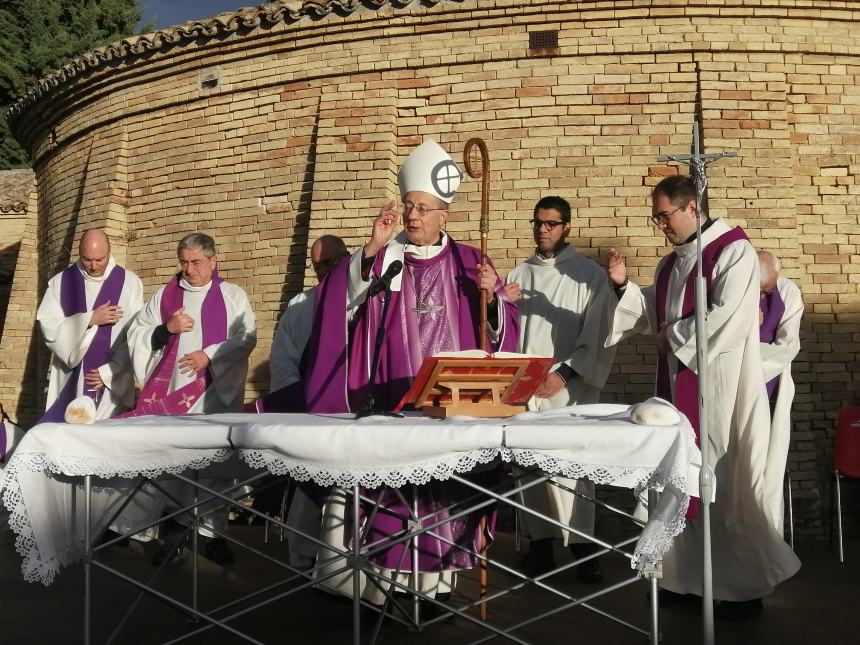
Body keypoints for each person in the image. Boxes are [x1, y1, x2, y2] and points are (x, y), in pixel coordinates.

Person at [305, 139, 519, 603]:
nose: (413, 216)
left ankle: (434, 592)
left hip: (449, 408)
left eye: (422, 208)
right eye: (408, 207)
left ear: (445, 215)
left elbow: (500, 333)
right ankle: (382, 589)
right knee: (392, 497)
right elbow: (337, 305)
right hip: (392, 401)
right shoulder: (385, 258)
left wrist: (494, 299)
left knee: (443, 499)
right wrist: (370, 251)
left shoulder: (468, 261)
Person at [605, 175, 800, 619]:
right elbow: (655, 312)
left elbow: (727, 320)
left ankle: (737, 588)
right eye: (655, 217)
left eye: (664, 215)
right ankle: (682, 578)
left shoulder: (734, 251)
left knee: (721, 483)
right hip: (677, 390)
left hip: (721, 392)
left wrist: (671, 336)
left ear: (692, 208)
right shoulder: (670, 264)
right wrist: (621, 287)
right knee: (680, 479)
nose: (660, 225)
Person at [125, 232, 257, 564]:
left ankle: (213, 536)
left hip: (214, 393)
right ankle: (173, 532)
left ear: (214, 261)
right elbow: (137, 332)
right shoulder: (166, 295)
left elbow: (247, 336)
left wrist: (210, 355)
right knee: (171, 464)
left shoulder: (232, 295)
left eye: (195, 262)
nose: (188, 269)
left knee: (213, 468)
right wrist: (165, 329)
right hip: (172, 396)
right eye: (183, 262)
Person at [507, 196, 617, 583]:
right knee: (529, 467)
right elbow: (502, 332)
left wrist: (566, 374)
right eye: (537, 222)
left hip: (569, 388)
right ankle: (540, 547)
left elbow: (600, 331)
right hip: (526, 390)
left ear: (567, 226)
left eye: (551, 223)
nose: (542, 229)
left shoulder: (588, 275)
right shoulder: (518, 274)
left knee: (573, 466)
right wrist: (496, 306)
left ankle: (583, 548)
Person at [35, 229, 143, 423]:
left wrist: (109, 372)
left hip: (111, 381)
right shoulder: (61, 283)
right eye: (87, 259)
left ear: (109, 253)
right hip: (70, 378)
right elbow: (49, 327)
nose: (93, 266)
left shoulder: (130, 283)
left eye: (99, 260)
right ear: (78, 253)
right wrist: (90, 319)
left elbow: (134, 334)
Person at [251, 235, 350, 412]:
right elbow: (283, 359)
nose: (322, 271)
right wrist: (295, 398)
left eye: (328, 263)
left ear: (345, 258)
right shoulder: (298, 305)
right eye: (317, 266)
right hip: (305, 404)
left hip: (350, 399)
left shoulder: (360, 299)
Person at [758, 250, 803, 533]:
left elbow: (787, 346)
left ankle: (766, 535)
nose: (767, 291)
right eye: (762, 288)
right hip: (728, 393)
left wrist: (748, 359)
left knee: (766, 470)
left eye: (769, 286)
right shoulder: (734, 289)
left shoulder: (787, 291)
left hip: (769, 389)